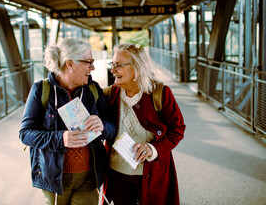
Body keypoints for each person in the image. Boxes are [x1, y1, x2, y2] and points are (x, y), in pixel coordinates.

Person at [19, 38, 116, 205]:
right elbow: (25, 134)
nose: (92, 68)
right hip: (55, 180)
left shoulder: (93, 90)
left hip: (89, 178)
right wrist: (61, 138)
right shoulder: (41, 90)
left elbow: (112, 128)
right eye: (89, 62)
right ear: (70, 64)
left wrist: (103, 126)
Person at [103, 43, 186, 205]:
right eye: (113, 64)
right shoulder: (109, 94)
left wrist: (153, 149)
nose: (113, 70)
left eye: (119, 65)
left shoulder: (160, 93)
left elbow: (178, 129)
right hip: (118, 174)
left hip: (152, 175)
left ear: (137, 68)